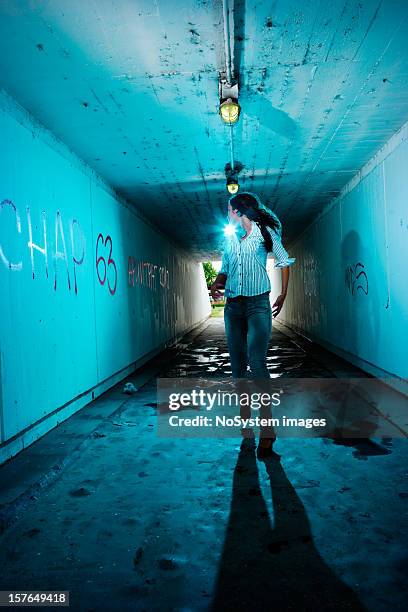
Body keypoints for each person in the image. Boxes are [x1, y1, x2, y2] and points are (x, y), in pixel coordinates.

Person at [210, 191, 296, 458]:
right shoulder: (229, 238)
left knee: (257, 363)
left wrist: (282, 294)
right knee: (237, 366)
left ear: (239, 211)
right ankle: (245, 415)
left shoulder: (266, 233)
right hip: (233, 307)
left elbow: (284, 260)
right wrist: (217, 285)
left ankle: (267, 427)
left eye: (228, 210)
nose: (226, 214)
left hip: (259, 305)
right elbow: (225, 269)